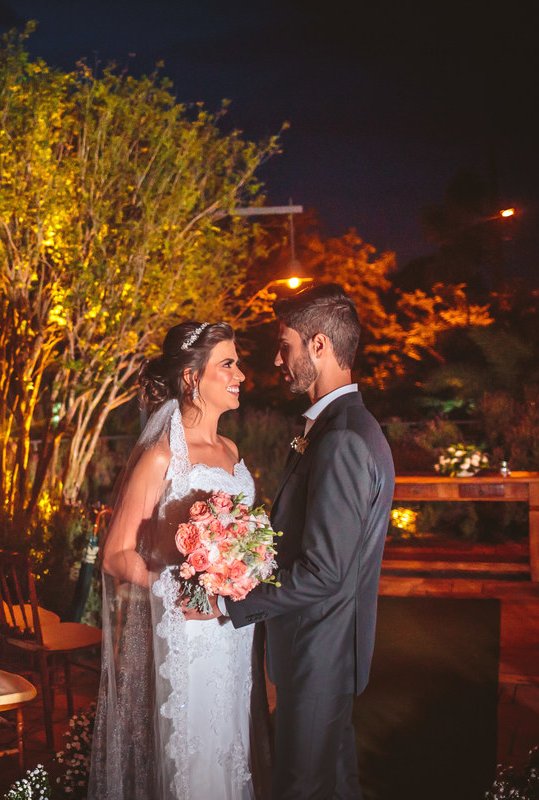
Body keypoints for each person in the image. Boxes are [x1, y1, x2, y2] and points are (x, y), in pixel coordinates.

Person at [195, 283, 395, 800]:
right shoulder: (344, 427)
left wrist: (227, 602)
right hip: (325, 649)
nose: (277, 360)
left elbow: (325, 572)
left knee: (300, 790)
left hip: (319, 651)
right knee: (334, 786)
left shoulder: (343, 438)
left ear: (319, 345)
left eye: (285, 346)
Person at [89, 320, 271, 800]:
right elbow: (115, 554)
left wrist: (249, 563)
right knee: (194, 755)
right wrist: (177, 589)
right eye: (227, 364)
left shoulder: (231, 450)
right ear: (192, 377)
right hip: (189, 629)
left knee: (230, 742)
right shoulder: (161, 457)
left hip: (233, 626)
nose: (240, 375)